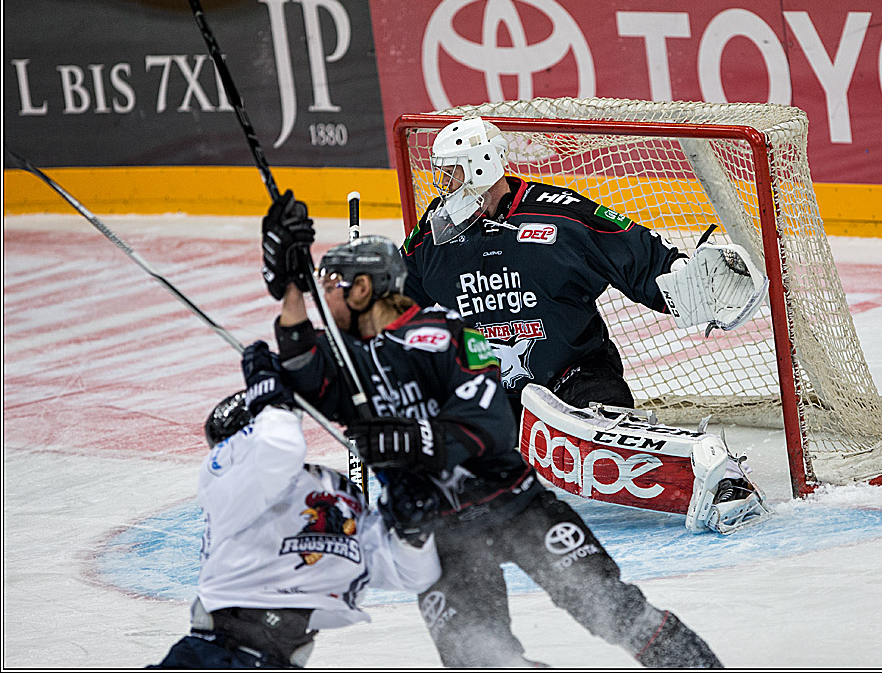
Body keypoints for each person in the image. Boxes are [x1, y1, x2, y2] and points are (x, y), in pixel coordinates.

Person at [256, 207, 723, 667]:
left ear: (362, 290)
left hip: (516, 508)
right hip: (442, 539)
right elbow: (304, 370)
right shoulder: (349, 360)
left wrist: (408, 441)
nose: (325, 297)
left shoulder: (449, 337)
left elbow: (488, 428)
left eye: (330, 286)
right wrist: (291, 288)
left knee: (619, 613)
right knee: (481, 660)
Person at [400, 116, 768, 416]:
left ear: (480, 167)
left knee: (606, 426)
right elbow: (398, 298)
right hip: (482, 386)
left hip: (573, 376)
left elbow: (632, 252)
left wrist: (692, 281)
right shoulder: (435, 232)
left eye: (452, 173)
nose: (443, 185)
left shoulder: (560, 215)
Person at [151, 341, 441, 669]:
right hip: (216, 655)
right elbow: (278, 447)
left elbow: (410, 576)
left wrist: (412, 532)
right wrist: (271, 398)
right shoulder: (225, 476)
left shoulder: (336, 488)